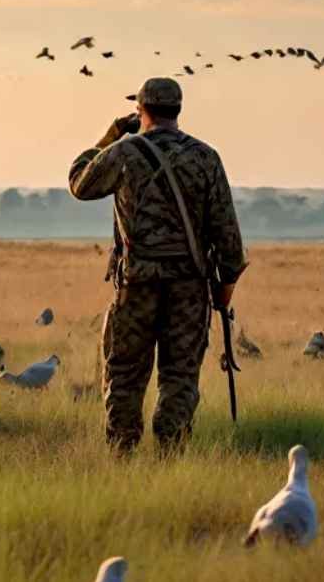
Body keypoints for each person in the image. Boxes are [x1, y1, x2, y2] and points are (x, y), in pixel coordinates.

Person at [68, 77, 246, 455]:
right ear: (177, 111)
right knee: (180, 376)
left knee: (125, 373)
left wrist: (110, 136)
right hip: (190, 287)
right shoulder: (205, 157)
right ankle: (171, 452)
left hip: (137, 285)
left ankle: (122, 453)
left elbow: (80, 184)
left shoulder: (125, 153)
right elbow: (227, 232)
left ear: (141, 110)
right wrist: (225, 286)